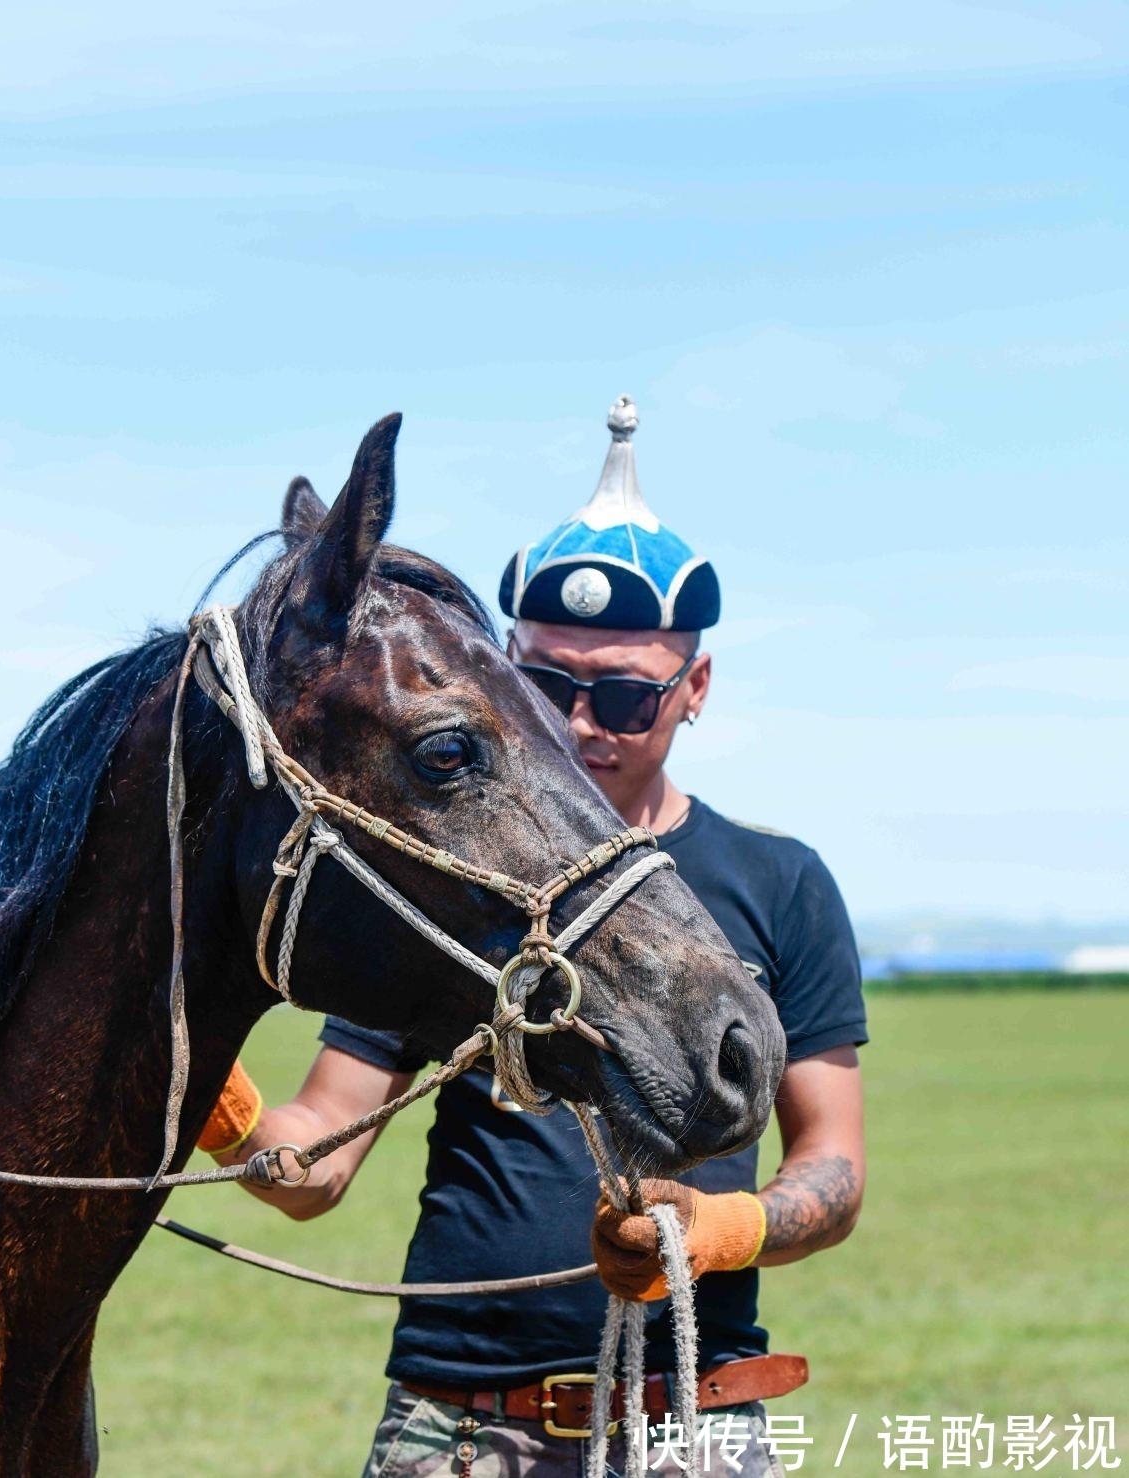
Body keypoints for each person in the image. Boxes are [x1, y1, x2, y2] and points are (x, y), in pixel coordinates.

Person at [199, 396, 868, 1477]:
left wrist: (723, 1230)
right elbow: (312, 1162)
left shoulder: (779, 883)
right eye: (548, 682)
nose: (583, 720)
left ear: (694, 690)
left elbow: (833, 1164)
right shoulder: (451, 871)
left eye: (624, 695)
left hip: (693, 1418)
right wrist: (211, 1091)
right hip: (455, 1425)